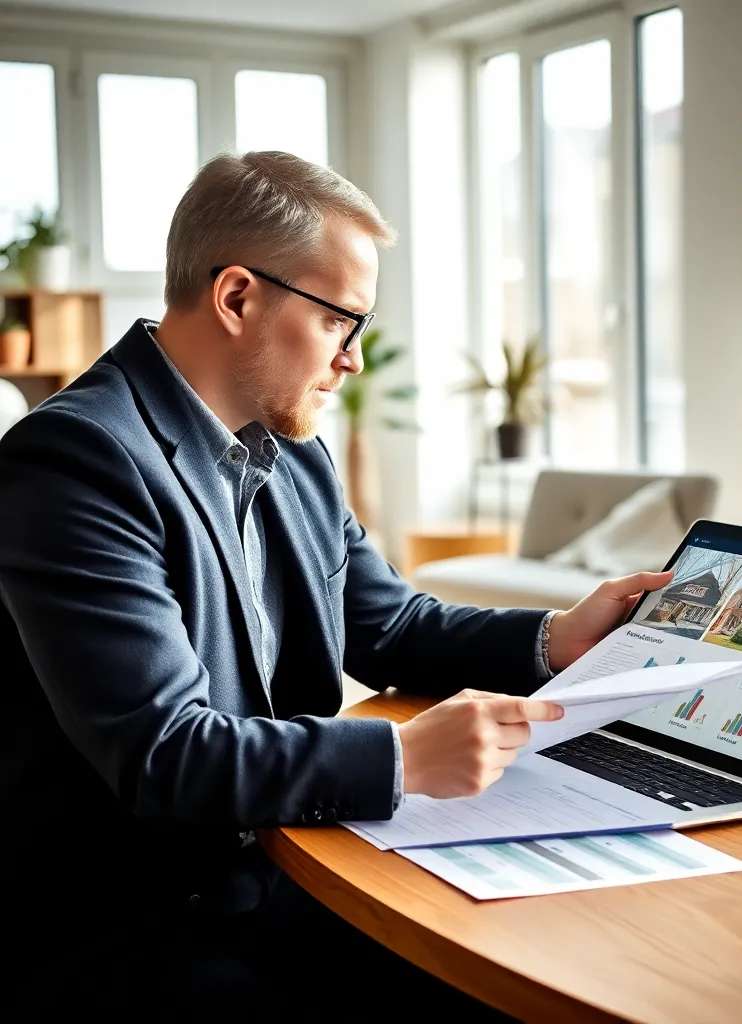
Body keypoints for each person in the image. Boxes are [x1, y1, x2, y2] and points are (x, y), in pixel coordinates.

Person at [0, 151, 672, 1016]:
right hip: (150, 922)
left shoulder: (294, 454)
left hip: (293, 864)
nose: (354, 359)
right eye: (341, 321)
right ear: (237, 297)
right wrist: (405, 755)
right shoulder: (74, 461)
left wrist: (555, 638)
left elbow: (392, 626)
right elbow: (168, 757)